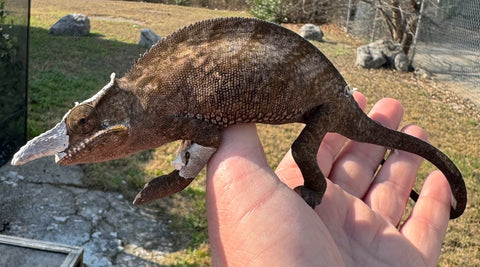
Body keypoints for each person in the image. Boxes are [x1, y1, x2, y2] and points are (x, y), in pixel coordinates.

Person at [205, 92, 451, 266]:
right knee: (304, 150)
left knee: (303, 151)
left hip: (326, 102)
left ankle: (316, 188)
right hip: (323, 100)